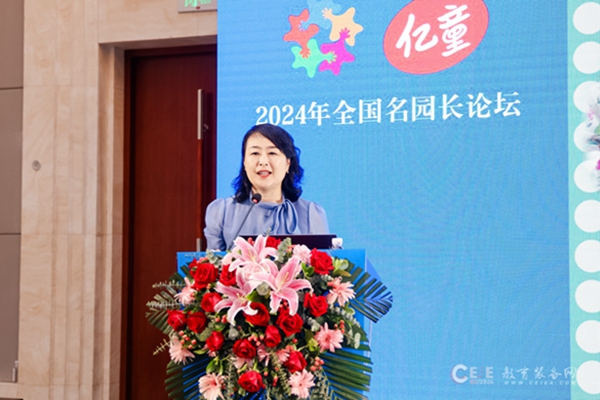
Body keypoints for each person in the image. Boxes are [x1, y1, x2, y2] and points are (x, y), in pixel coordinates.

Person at [204, 124, 329, 250]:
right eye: (255, 153)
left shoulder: (310, 213)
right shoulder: (222, 211)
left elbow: (324, 260)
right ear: (244, 162)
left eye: (272, 153)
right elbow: (213, 260)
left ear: (288, 163)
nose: (263, 161)